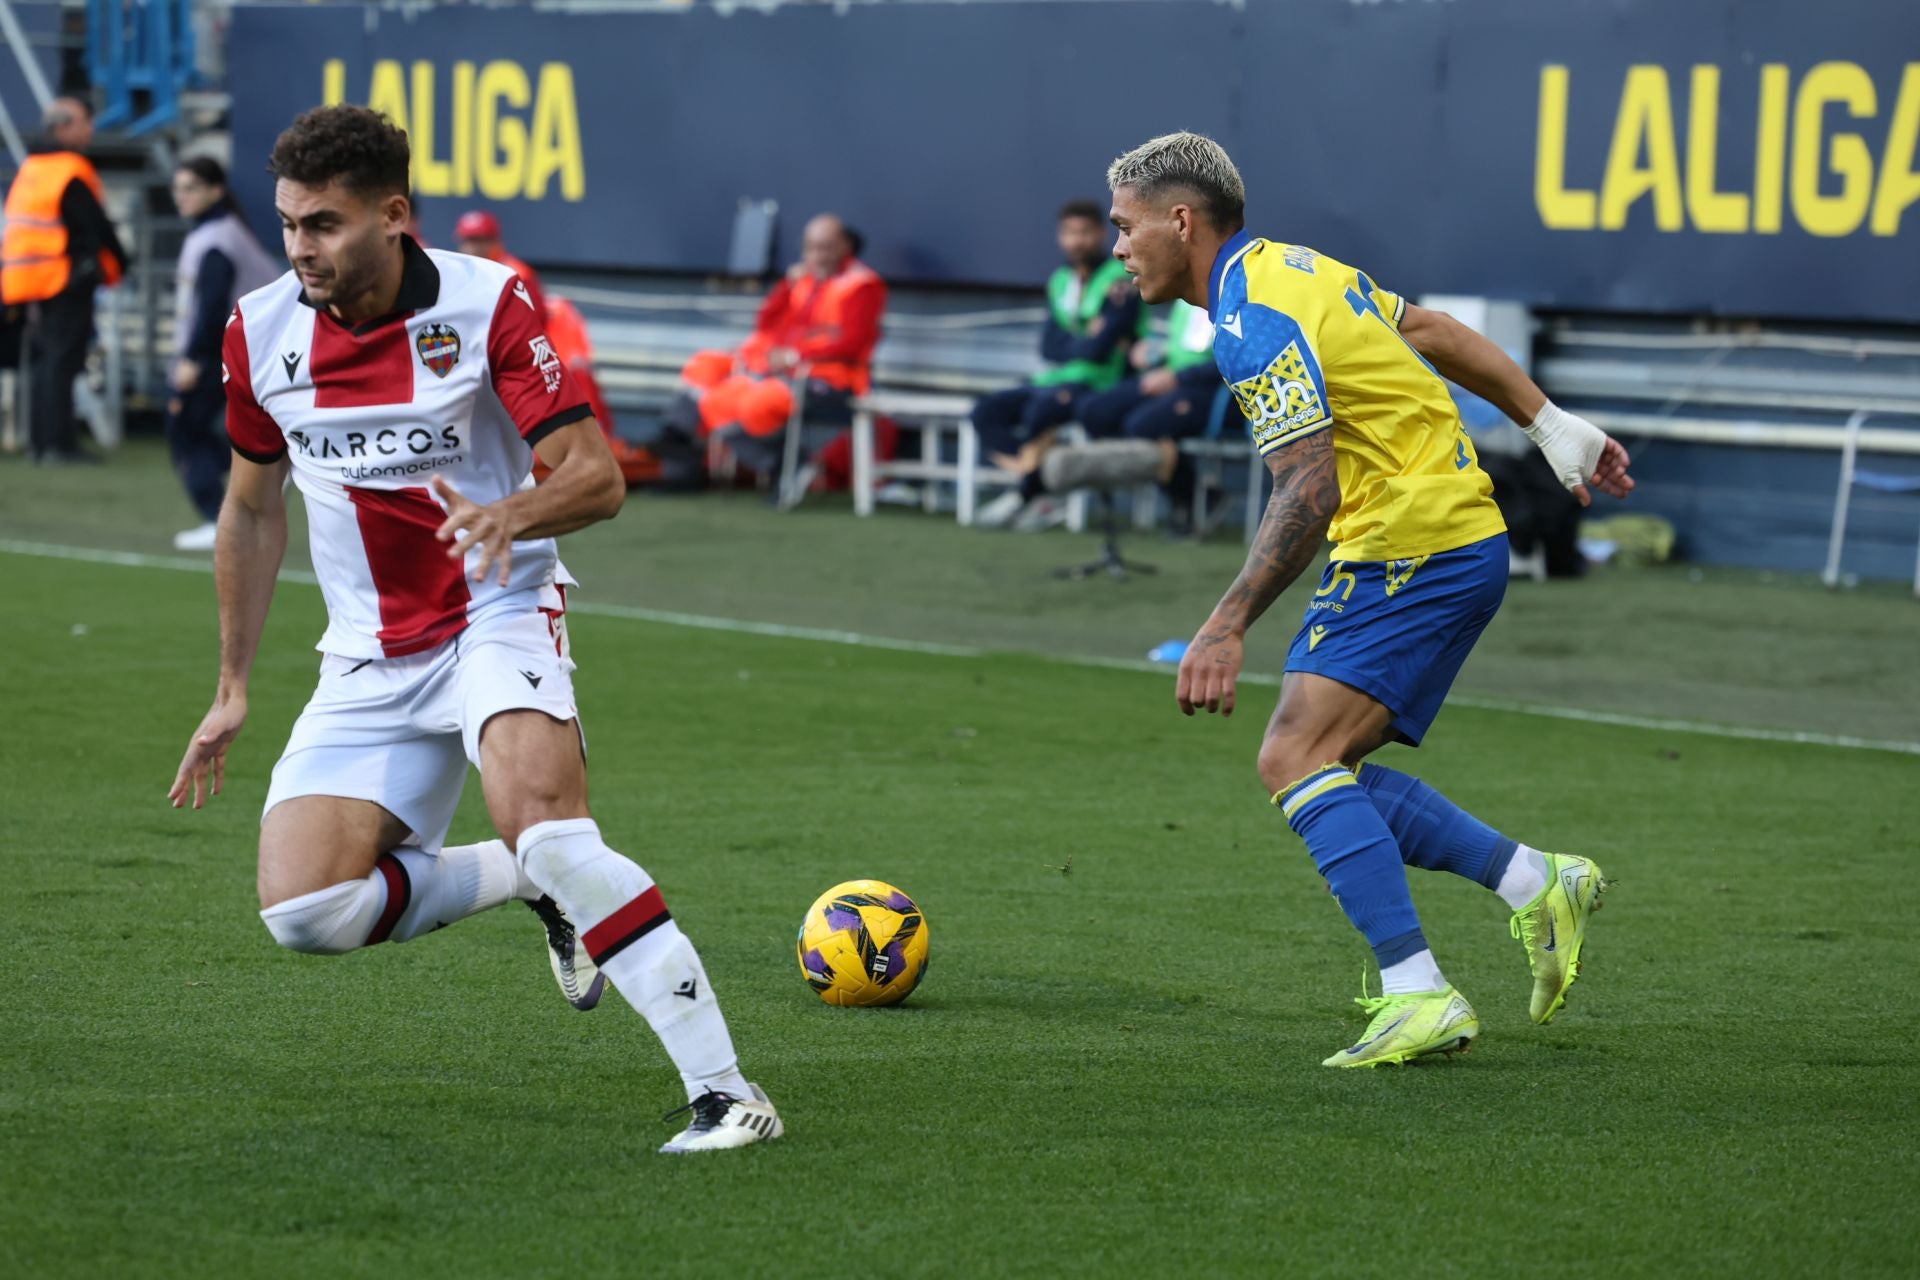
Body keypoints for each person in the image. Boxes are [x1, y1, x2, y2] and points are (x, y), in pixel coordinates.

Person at [166, 105, 781, 1152]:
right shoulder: (258, 332)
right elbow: (251, 510)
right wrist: (232, 686)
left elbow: (595, 477)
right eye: (290, 223)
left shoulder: (488, 302)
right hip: (367, 650)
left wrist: (513, 515)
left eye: (324, 224)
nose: (301, 246)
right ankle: (526, 881)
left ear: (393, 215)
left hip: (497, 606)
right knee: (305, 912)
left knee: (548, 821)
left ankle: (727, 1094)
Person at [1106, 131, 1634, 1069]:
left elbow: (1309, 488)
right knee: (1327, 768)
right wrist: (1551, 426)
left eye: (1125, 226)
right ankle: (1533, 882)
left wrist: (1225, 623)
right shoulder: (1297, 268)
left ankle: (1418, 992)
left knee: (1294, 755)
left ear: (1179, 221)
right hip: (1442, 535)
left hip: (1411, 546)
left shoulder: (1251, 320)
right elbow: (1429, 331)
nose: (1118, 248)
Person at [666, 213, 886, 482]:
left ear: (844, 247)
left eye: (825, 248)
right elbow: (768, 324)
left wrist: (793, 356)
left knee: (757, 404)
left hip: (832, 380)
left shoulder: (861, 284)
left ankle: (786, 465)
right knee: (717, 400)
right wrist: (787, 285)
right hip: (784, 371)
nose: (817, 256)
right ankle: (774, 464)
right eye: (811, 247)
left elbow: (853, 344)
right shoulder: (804, 280)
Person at [973, 200, 1142, 529]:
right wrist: (1086, 337)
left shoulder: (1121, 277)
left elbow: (1101, 350)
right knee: (986, 411)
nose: (1076, 241)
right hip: (1054, 378)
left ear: (1100, 234)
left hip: (1102, 383)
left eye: (1084, 232)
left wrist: (1079, 340)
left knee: (1042, 410)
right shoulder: (1060, 280)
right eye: (1069, 233)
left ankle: (1028, 493)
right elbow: (1048, 346)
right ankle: (1036, 480)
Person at [1, 96, 126, 464]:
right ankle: (59, 445)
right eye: (86, 121)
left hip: (27, 279)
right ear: (64, 127)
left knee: (45, 361)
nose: (91, 129)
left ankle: (41, 443)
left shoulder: (32, 167)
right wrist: (120, 260)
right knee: (63, 360)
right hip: (63, 278)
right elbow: (94, 225)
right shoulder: (70, 169)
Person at [166, 156, 281, 550]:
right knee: (210, 430)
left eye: (190, 188)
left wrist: (195, 360)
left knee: (185, 427)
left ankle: (219, 517)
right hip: (244, 346)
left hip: (231, 349)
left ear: (215, 190)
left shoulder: (218, 239)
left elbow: (214, 309)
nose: (180, 196)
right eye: (178, 188)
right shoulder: (219, 232)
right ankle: (256, 485)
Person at [454, 209, 542, 314]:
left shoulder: (515, 273)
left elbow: (534, 316)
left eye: (479, 240)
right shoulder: (458, 271)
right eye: (467, 240)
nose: (472, 247)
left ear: (494, 240)